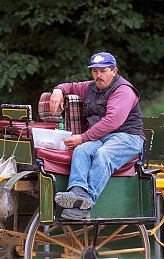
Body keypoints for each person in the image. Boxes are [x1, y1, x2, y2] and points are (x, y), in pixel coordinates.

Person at [49, 51, 145, 220]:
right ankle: (77, 190)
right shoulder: (90, 87)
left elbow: (112, 121)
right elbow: (70, 86)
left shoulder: (124, 90)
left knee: (103, 154)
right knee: (82, 151)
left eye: (103, 71)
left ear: (114, 71)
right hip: (102, 138)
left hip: (128, 138)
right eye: (95, 71)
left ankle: (87, 200)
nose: (98, 75)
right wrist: (58, 90)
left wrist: (83, 137)